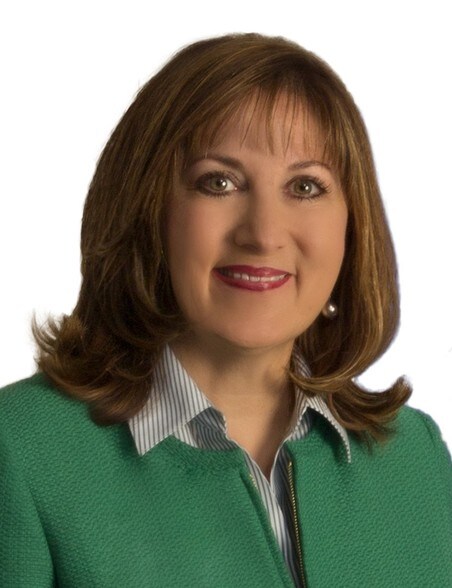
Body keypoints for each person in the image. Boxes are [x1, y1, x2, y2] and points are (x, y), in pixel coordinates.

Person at [0, 33, 451, 588]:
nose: (263, 233)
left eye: (305, 186)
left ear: (352, 227)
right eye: (219, 182)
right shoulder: (20, 451)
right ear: (147, 209)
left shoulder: (415, 457)